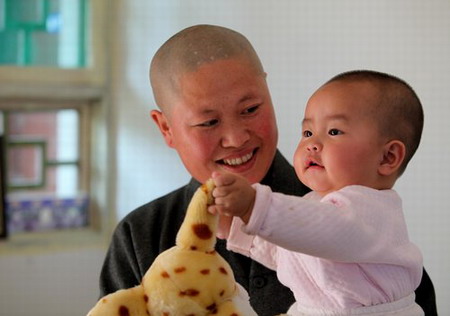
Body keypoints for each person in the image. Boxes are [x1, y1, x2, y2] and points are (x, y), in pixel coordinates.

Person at [98, 25, 437, 316]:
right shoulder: (141, 235)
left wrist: (253, 207)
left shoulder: (356, 217)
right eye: (209, 122)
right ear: (166, 128)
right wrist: (240, 228)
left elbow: (316, 227)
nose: (236, 138)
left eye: (250, 109)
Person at [208, 70, 430, 315]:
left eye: (334, 132)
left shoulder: (370, 211)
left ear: (387, 157)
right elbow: (294, 253)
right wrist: (237, 228)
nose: (312, 144)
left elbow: (322, 229)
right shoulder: (317, 205)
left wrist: (254, 206)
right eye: (307, 132)